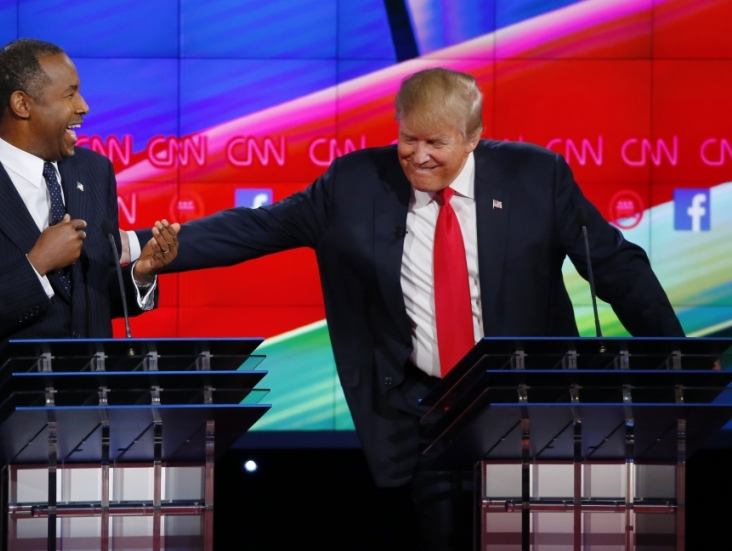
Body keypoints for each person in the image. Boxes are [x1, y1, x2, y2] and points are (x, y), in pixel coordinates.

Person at [153, 68, 684, 549]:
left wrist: (673, 359)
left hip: (527, 405)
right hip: (426, 411)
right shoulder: (356, 182)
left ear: (472, 139)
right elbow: (260, 228)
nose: (420, 155)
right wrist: (153, 253)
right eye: (409, 139)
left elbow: (616, 266)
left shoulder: (535, 178)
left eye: (437, 142)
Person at [0, 38, 179, 551]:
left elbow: (90, 293)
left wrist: (140, 275)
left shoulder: (93, 173)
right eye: (71, 94)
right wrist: (35, 265)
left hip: (91, 445)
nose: (84, 108)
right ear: (23, 105)